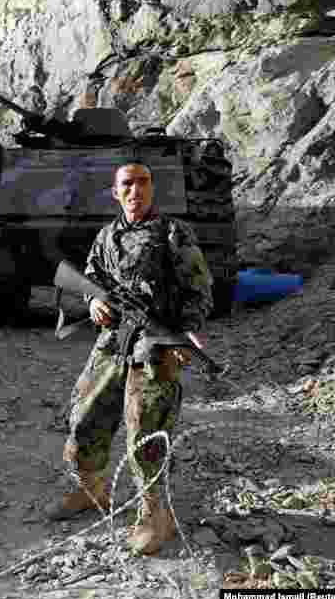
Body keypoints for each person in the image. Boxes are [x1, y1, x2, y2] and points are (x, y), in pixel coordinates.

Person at [44, 160, 213, 556]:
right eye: (127, 184)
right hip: (113, 339)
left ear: (152, 189)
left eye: (143, 182)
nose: (136, 190)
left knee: (147, 429)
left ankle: (156, 514)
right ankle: (90, 489)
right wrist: (94, 300)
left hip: (154, 342)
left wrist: (182, 336)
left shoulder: (173, 233)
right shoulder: (107, 235)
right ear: (115, 192)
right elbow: (92, 274)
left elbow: (200, 289)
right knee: (85, 414)